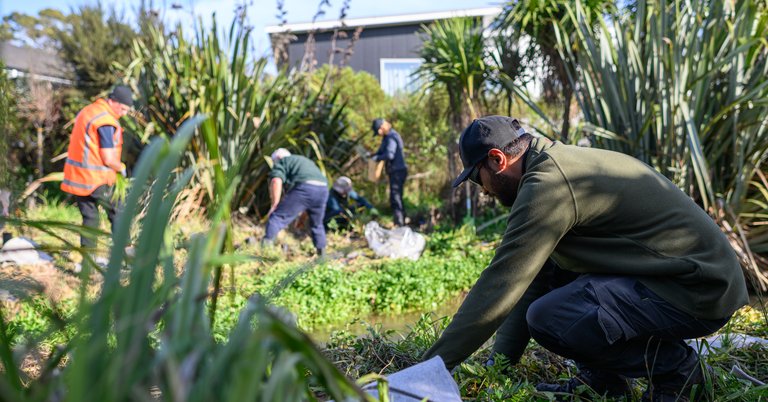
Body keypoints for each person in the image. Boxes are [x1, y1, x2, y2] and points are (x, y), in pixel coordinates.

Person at [422, 116, 748, 401]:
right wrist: (499, 366)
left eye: (479, 180)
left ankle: (676, 371)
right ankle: (606, 382)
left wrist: (428, 371)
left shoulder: (548, 184)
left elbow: (501, 284)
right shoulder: (552, 162)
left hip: (698, 289)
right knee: (557, 277)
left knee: (549, 317)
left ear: (497, 160)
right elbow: (533, 279)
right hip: (687, 278)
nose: (485, 192)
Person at [61, 85, 133, 250]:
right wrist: (120, 167)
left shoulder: (89, 111)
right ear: (113, 101)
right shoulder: (105, 120)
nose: (124, 113)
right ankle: (126, 255)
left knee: (90, 218)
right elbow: (107, 157)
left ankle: (88, 261)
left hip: (78, 177)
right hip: (97, 178)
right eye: (122, 108)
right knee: (118, 213)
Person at [263, 148, 329, 256]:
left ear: (278, 158)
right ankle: (322, 256)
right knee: (317, 224)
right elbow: (308, 201)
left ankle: (266, 251)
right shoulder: (303, 161)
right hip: (323, 189)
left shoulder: (284, 161)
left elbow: (276, 180)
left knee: (276, 217)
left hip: (306, 187)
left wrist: (275, 205)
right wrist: (302, 217)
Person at [370, 118, 407, 226]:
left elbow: (389, 154)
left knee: (395, 197)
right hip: (395, 171)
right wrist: (373, 155)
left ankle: (400, 223)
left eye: (378, 132)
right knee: (396, 196)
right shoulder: (387, 137)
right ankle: (402, 220)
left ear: (382, 127)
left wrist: (377, 158)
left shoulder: (391, 137)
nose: (379, 134)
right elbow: (382, 151)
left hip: (397, 171)